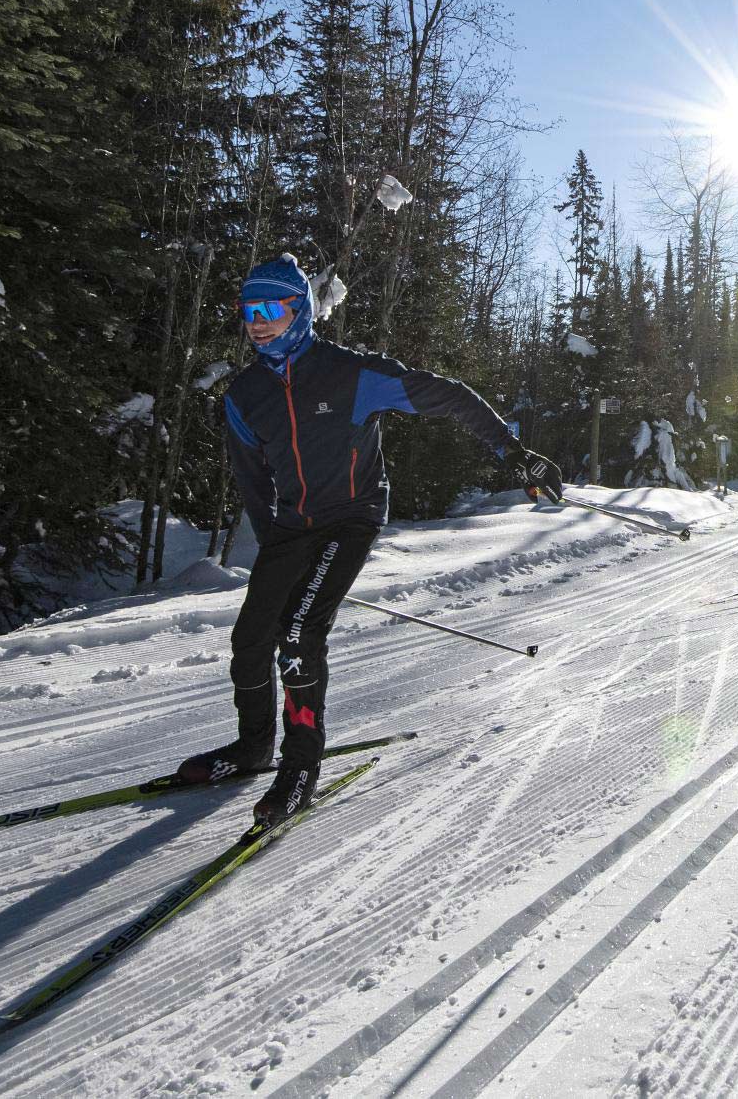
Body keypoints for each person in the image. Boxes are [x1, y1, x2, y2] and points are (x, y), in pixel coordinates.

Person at [178, 255, 564, 825]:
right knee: (251, 637)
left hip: (352, 518)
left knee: (299, 635)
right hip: (292, 528)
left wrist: (515, 454)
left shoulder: (350, 373)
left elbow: (450, 396)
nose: (257, 322)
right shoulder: (245, 395)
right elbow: (253, 482)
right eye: (248, 312)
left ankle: (301, 765)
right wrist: (279, 558)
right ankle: (252, 746)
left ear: (299, 311)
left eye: (270, 310)